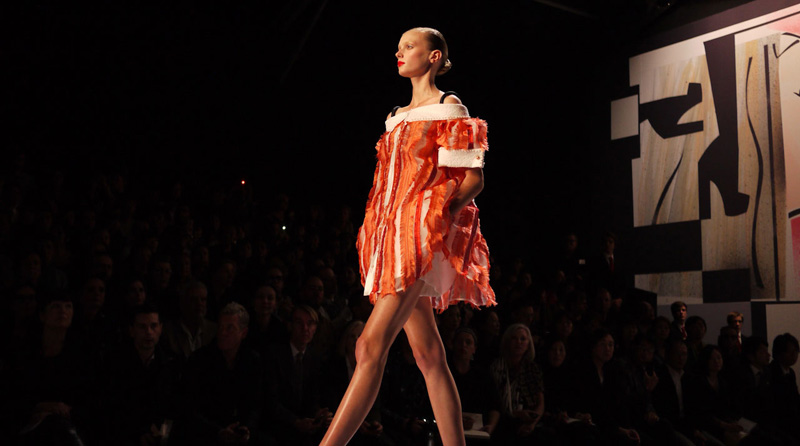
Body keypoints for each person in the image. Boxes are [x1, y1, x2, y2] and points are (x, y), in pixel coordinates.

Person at [320, 27, 495, 446]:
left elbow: (472, 180)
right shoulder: (396, 115)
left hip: (417, 239)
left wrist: (433, 223)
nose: (399, 53)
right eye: (398, 48)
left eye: (410, 46)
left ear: (434, 56)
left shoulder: (448, 106)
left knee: (368, 346)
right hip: (390, 236)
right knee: (428, 355)